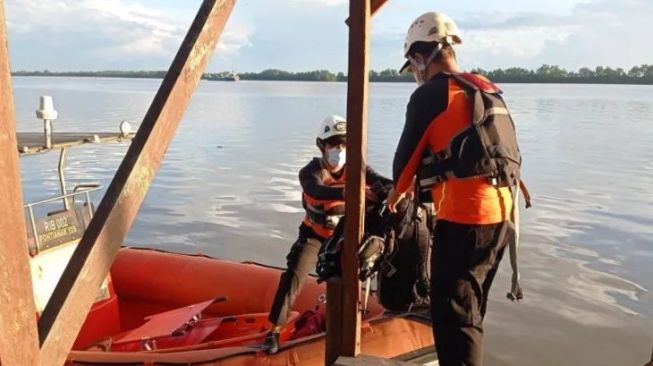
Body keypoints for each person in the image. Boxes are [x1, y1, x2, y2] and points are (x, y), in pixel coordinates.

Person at [387, 11, 522, 366]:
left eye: (413, 63)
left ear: (419, 56)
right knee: (471, 312)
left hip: (466, 221)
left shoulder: (431, 95)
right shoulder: (485, 87)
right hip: (503, 218)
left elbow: (402, 172)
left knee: (453, 320)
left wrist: (391, 199)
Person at [263, 115, 392, 354]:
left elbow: (382, 182)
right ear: (321, 145)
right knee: (294, 275)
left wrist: (390, 189)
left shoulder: (358, 168)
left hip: (343, 237)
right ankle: (274, 331)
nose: (339, 150)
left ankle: (363, 322)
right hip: (315, 234)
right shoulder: (310, 171)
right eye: (333, 144)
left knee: (360, 270)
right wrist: (353, 192)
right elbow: (316, 190)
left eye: (344, 144)